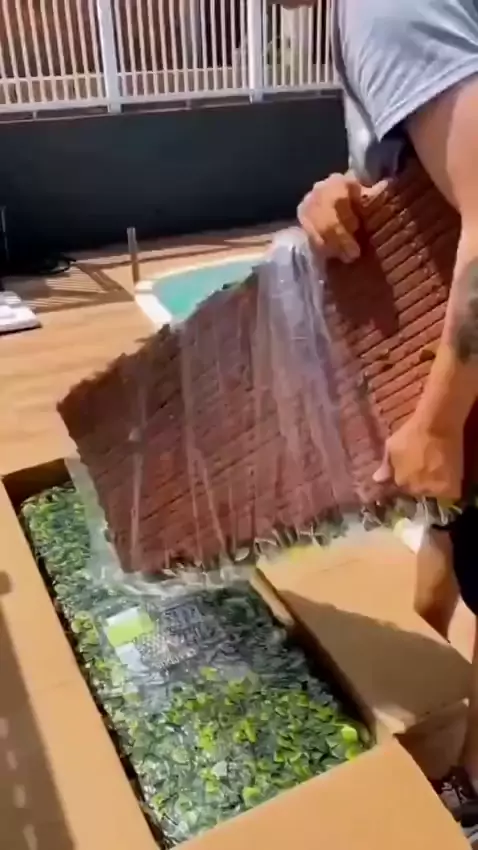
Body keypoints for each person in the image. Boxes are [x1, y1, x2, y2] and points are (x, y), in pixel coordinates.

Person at [277, 0, 478, 827]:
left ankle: (473, 792)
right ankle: (425, 670)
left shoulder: (385, 6)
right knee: (449, 530)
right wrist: (357, 187)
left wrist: (436, 423)